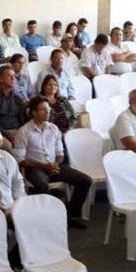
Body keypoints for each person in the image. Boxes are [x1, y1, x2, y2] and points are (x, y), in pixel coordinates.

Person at [13, 96, 90, 229]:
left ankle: (69, 215)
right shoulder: (24, 131)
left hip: (54, 166)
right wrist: (44, 166)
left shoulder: (54, 128)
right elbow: (21, 160)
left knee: (85, 180)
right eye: (43, 110)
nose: (47, 112)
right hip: (35, 168)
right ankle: (52, 219)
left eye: (48, 110)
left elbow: (60, 153)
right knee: (42, 185)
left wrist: (56, 164)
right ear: (34, 112)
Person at [0, 66, 26, 149]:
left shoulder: (18, 98)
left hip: (18, 131)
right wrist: (8, 135)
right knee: (8, 147)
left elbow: (23, 119)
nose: (13, 78)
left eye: (14, 76)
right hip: (0, 132)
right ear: (0, 79)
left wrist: (20, 134)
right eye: (9, 76)